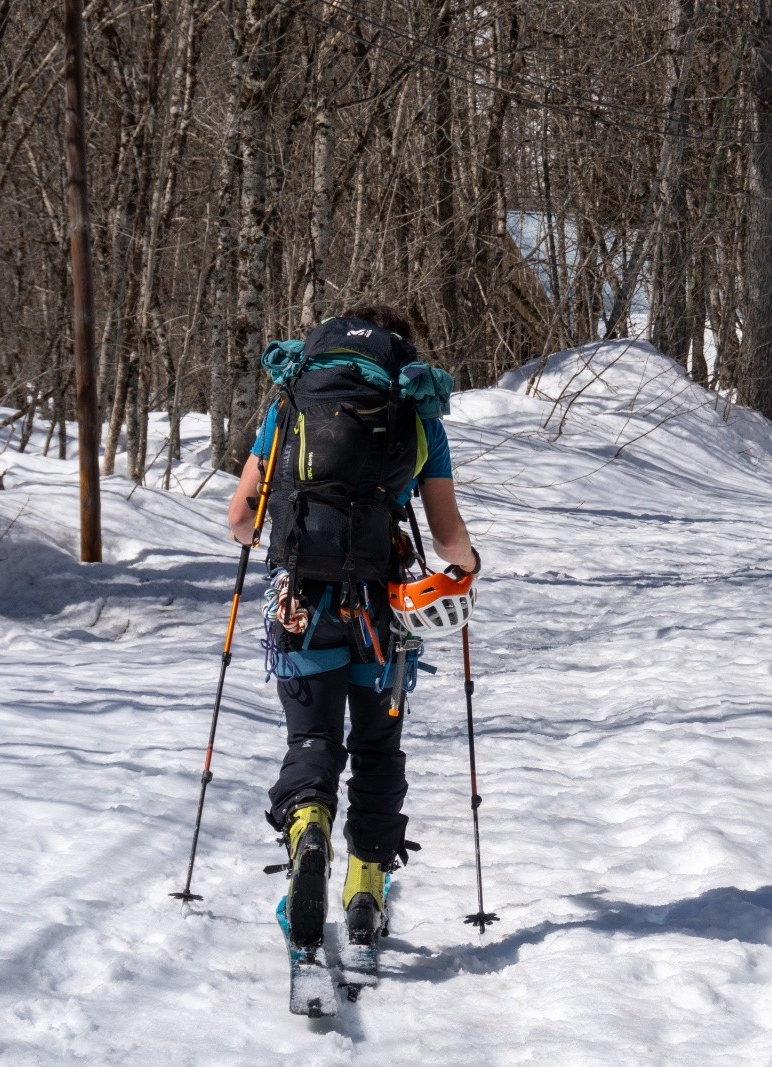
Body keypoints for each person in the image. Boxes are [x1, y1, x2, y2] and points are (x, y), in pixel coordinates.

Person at [226, 304, 479, 951]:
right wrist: (469, 562)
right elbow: (446, 535)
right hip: (382, 609)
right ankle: (366, 887)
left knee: (312, 737)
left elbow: (240, 520)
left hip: (300, 601)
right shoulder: (416, 412)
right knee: (376, 747)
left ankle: (308, 826)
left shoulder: (291, 401)